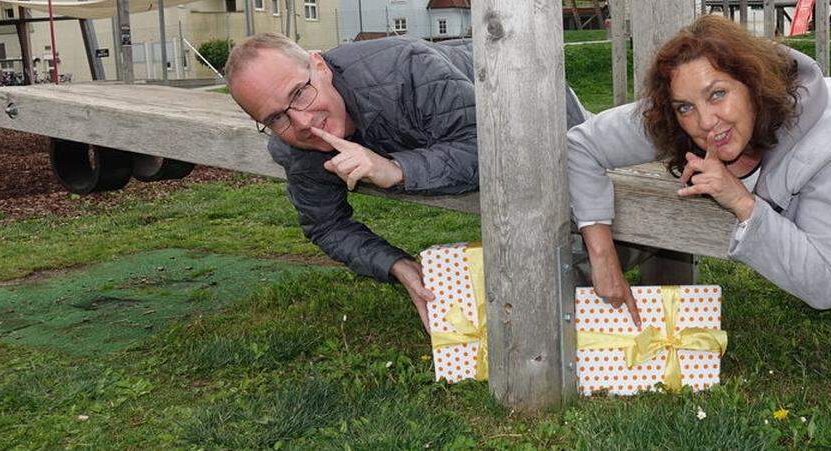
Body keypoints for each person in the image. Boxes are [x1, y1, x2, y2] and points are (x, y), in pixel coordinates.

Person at [567, 15, 831, 321]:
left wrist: (742, 202)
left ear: (753, 85)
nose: (705, 122)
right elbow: (581, 144)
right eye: (686, 107)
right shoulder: (679, 109)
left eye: (718, 95)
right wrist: (602, 255)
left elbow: (827, 283)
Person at [226, 33, 588, 331]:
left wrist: (396, 170)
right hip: (465, 126)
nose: (302, 122)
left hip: (534, 99)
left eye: (299, 93)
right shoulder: (294, 142)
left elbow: (499, 147)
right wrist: (396, 266)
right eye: (275, 118)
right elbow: (325, 224)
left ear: (320, 66)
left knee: (587, 223)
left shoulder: (406, 68)